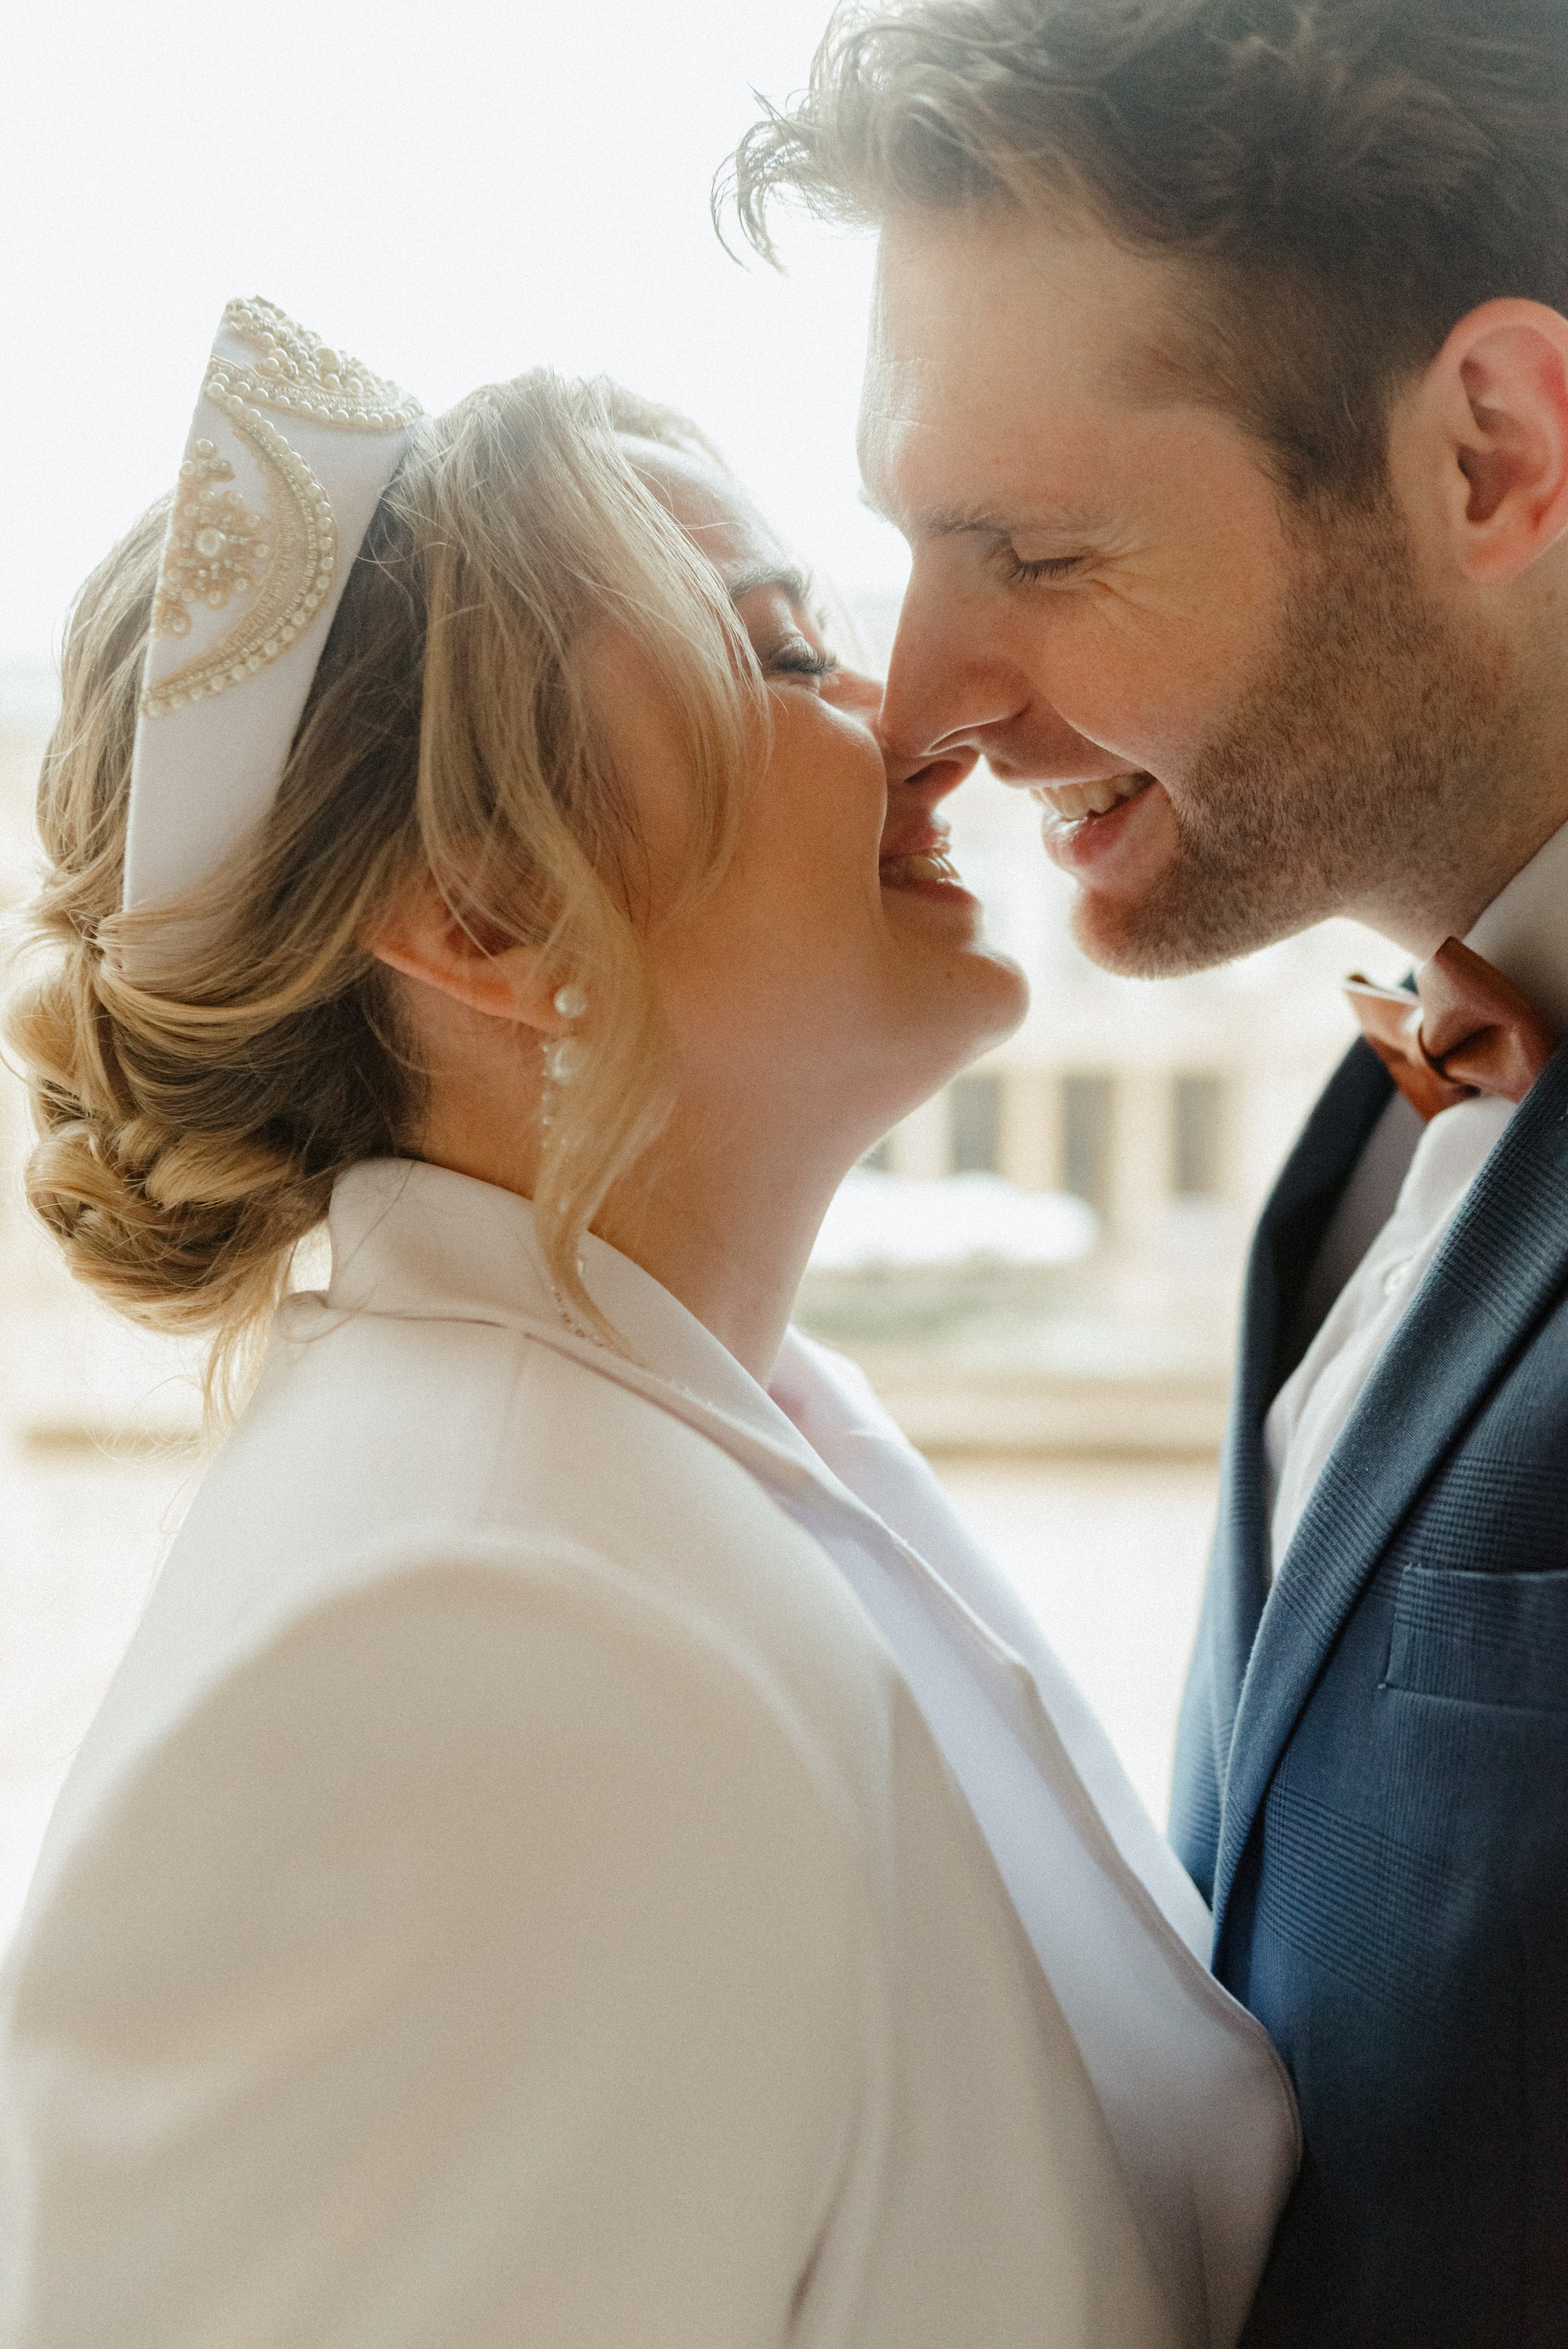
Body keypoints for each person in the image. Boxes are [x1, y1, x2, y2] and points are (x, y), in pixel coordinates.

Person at [0, 302, 1296, 2347]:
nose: (903, 710)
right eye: (779, 649)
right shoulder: (480, 1634)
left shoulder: (709, 1461)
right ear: (488, 920)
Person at [730, 1, 1568, 2340]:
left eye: (1040, 550)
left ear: (1493, 451)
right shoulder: (1362, 1146)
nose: (918, 701)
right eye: (913, 541)